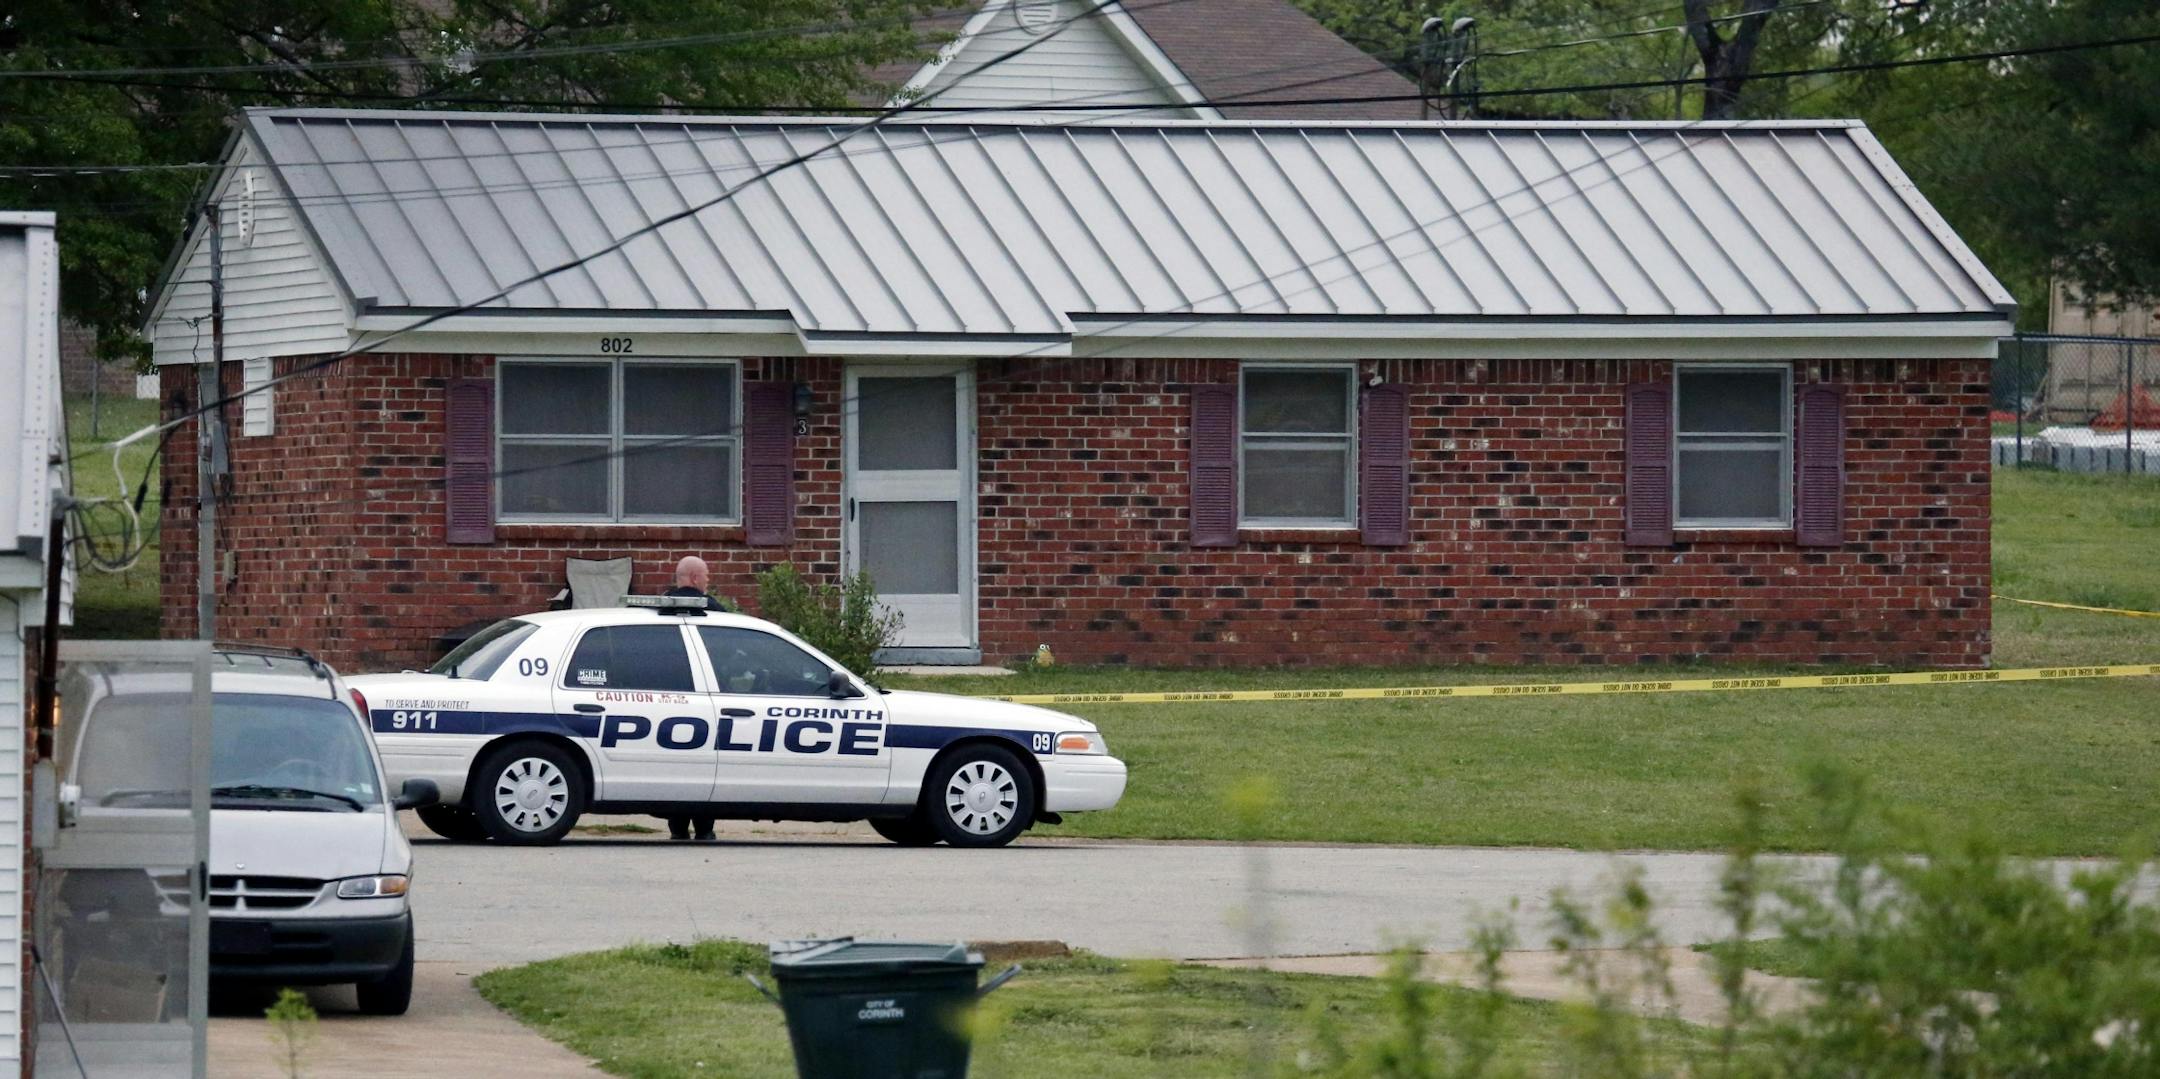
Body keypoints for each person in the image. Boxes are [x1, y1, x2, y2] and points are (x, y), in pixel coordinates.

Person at [663, 555, 721, 842]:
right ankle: (705, 829)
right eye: (707, 576)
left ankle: (677, 828)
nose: (708, 581)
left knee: (677, 768)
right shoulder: (711, 611)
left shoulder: (659, 610)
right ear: (696, 579)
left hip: (666, 704)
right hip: (708, 699)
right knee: (706, 766)